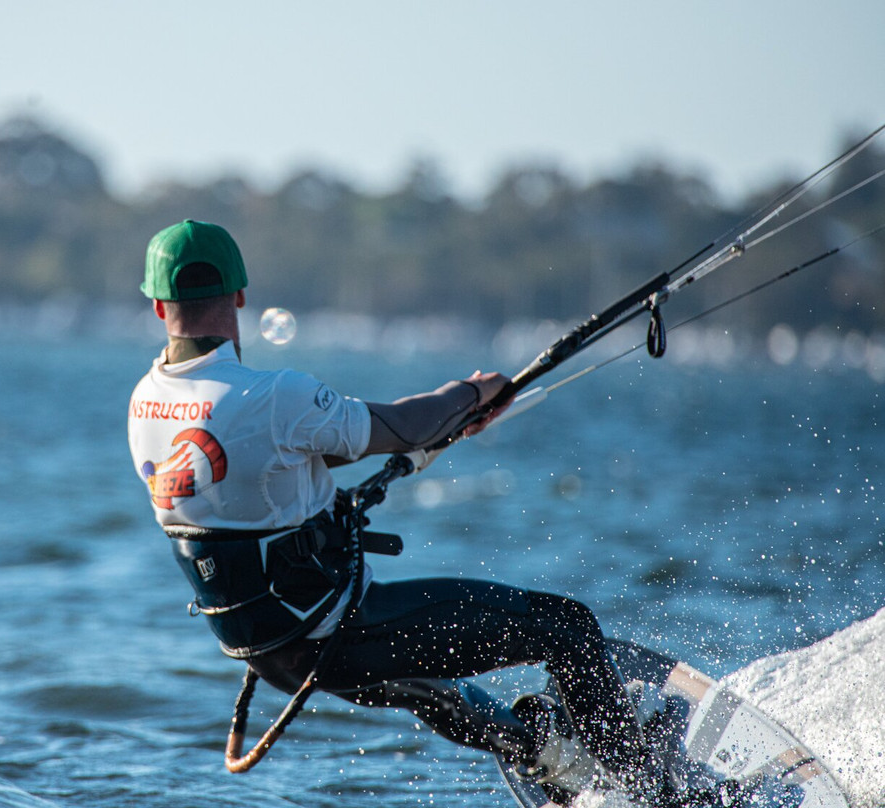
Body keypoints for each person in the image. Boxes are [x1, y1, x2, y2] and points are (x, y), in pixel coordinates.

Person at [127, 220, 744, 808]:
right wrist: (472, 394)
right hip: (342, 633)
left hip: (278, 655)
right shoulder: (271, 397)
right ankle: (648, 784)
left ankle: (548, 753)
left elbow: (262, 470)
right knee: (569, 627)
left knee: (440, 690)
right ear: (239, 295)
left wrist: (438, 432)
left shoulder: (145, 406)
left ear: (158, 307)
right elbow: (399, 425)